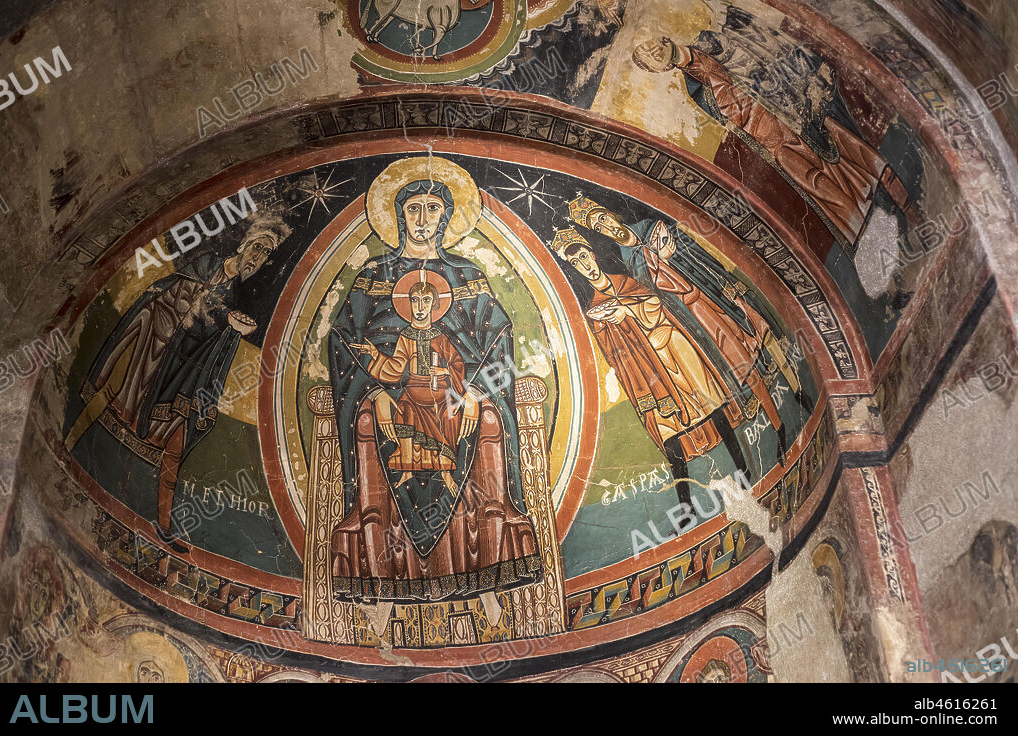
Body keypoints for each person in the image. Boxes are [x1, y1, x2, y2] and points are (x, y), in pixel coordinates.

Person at [327, 159, 539, 620]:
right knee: (369, 422)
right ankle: (380, 581)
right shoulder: (374, 274)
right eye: (413, 211)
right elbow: (343, 336)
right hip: (395, 396)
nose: (423, 220)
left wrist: (475, 391)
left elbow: (497, 336)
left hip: (454, 394)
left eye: (432, 210)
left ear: (446, 218)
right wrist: (378, 385)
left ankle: (490, 573)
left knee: (485, 420)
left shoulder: (466, 275)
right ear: (399, 218)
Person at [64, 212, 291, 553]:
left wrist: (232, 329)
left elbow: (206, 333)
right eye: (257, 248)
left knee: (177, 441)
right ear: (244, 244)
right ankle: (67, 447)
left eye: (265, 254)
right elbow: (177, 297)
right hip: (153, 344)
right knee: (109, 392)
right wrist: (216, 315)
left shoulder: (234, 296)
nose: (257, 258)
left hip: (184, 374)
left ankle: (164, 527)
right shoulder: (207, 263)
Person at [632, 35, 910, 251]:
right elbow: (731, 118)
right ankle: (878, 235)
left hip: (790, 111)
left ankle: (905, 208)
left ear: (662, 39)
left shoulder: (712, 41)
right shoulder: (693, 89)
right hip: (771, 141)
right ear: (659, 70)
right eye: (649, 59)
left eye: (650, 46)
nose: (654, 53)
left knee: (848, 156)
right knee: (825, 189)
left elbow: (759, 56)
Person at [553, 228, 751, 511]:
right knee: (669, 435)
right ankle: (685, 507)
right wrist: (609, 322)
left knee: (712, 406)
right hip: (647, 374)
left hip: (673, 348)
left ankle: (744, 470)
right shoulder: (594, 308)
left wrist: (627, 312)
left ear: (593, 255)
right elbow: (613, 353)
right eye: (577, 264)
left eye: (585, 256)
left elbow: (654, 304)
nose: (585, 266)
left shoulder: (627, 282)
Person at [350, 272, 465, 493]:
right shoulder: (405, 336)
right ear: (409, 304)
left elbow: (457, 364)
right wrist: (376, 355)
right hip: (413, 389)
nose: (420, 307)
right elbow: (396, 367)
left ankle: (446, 474)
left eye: (426, 301)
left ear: (434, 305)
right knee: (404, 410)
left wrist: (442, 370)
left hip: (438, 390)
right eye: (415, 301)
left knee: (448, 413)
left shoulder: (440, 336)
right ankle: (407, 470)